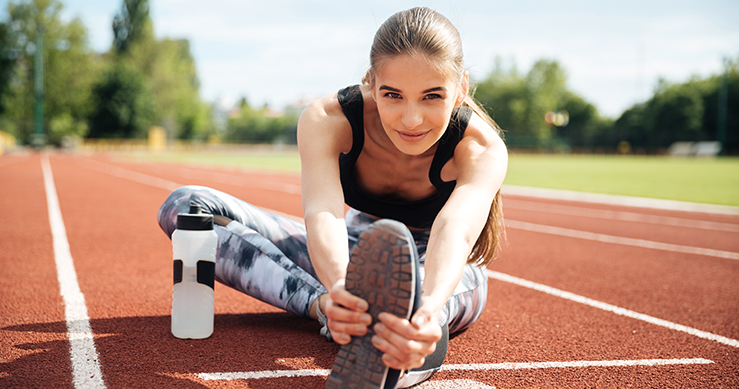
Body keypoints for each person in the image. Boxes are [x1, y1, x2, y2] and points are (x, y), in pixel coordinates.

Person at [157, 6, 507, 389]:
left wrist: (429, 306)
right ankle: (323, 308)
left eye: (431, 97)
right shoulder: (329, 119)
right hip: (352, 249)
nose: (411, 119)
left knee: (410, 321)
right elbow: (324, 213)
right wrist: (340, 290)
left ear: (461, 89)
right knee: (186, 208)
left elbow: (453, 232)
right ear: (372, 83)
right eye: (393, 95)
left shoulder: (481, 148)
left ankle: (401, 347)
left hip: (440, 267)